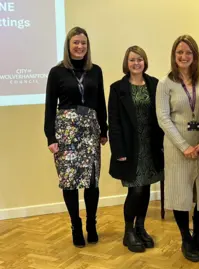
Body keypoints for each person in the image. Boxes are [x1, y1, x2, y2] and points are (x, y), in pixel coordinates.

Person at [43, 26, 107, 248]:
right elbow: (50, 107)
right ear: (68, 46)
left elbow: (101, 102)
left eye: (84, 43)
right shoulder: (56, 72)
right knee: (69, 181)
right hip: (66, 133)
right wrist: (50, 137)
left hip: (91, 131)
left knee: (91, 181)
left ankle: (91, 223)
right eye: (76, 43)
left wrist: (104, 130)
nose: (80, 47)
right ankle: (75, 225)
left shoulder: (96, 71)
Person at [156, 35, 199, 262]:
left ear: (195, 55)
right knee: (180, 193)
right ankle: (186, 239)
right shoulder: (165, 83)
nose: (184, 57)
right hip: (176, 147)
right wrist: (183, 146)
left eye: (188, 53)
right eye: (180, 52)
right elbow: (163, 118)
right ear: (174, 55)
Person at [108, 46, 165, 253]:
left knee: (147, 187)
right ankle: (128, 231)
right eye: (132, 60)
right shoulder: (117, 88)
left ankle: (141, 228)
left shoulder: (154, 84)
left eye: (139, 59)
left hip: (151, 147)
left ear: (145, 61)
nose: (136, 63)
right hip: (130, 148)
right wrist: (118, 151)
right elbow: (113, 122)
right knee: (136, 189)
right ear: (127, 63)